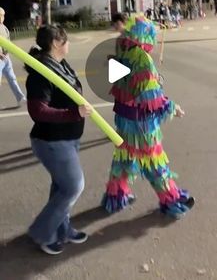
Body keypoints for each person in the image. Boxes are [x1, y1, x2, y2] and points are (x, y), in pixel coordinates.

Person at [102, 15, 195, 218]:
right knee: (154, 161)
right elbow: (149, 97)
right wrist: (172, 108)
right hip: (142, 123)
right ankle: (171, 200)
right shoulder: (142, 58)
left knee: (124, 158)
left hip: (125, 120)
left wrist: (153, 78)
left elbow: (124, 85)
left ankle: (115, 195)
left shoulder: (121, 52)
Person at [25, 24, 92, 255]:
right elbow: (38, 110)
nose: (69, 44)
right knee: (74, 186)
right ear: (56, 43)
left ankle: (62, 229)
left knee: (61, 187)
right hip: (52, 141)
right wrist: (74, 114)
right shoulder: (41, 71)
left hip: (68, 138)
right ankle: (42, 232)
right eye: (66, 40)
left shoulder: (59, 64)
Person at [0, 7, 26, 107]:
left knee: (12, 78)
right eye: (0, 15)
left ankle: (20, 98)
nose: (2, 17)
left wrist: (9, 52)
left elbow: (8, 42)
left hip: (6, 58)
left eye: (3, 15)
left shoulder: (4, 28)